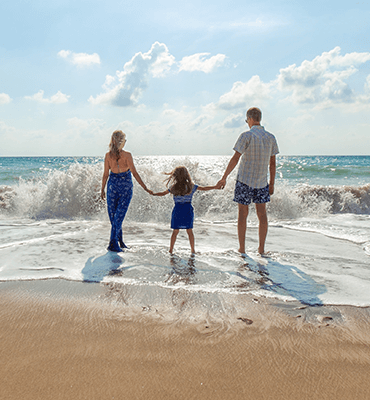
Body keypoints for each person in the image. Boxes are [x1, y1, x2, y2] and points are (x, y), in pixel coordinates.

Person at [217, 107, 279, 255]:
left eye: (247, 120)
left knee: (242, 215)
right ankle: (261, 249)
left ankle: (242, 249)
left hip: (244, 180)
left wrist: (224, 177)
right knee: (262, 215)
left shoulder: (246, 136)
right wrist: (272, 183)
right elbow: (273, 164)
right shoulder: (271, 137)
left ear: (250, 119)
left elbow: (235, 158)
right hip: (262, 182)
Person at [101, 130, 152, 252]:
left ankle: (119, 241)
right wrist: (145, 187)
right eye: (125, 140)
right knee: (117, 216)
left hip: (113, 185)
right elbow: (134, 173)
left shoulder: (109, 155)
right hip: (124, 185)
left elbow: (105, 175)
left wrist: (102, 189)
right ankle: (114, 243)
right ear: (122, 141)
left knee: (116, 216)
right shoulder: (126, 155)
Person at [152, 166, 218, 254]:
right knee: (189, 231)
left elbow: (163, 193)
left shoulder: (173, 187)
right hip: (187, 211)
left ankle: (171, 250)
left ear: (175, 176)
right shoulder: (191, 186)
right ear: (187, 175)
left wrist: (153, 193)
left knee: (175, 231)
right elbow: (204, 188)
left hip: (177, 210)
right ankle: (193, 250)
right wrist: (215, 187)